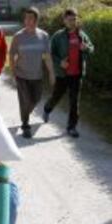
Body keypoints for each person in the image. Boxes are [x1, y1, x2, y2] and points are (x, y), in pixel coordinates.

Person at [43, 8, 94, 138]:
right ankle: (47, 108)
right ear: (64, 20)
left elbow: (92, 48)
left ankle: (71, 127)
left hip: (77, 75)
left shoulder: (81, 35)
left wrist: (86, 48)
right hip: (62, 74)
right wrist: (60, 62)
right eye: (69, 19)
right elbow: (49, 53)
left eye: (74, 19)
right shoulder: (58, 36)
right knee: (56, 96)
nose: (72, 22)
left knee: (74, 102)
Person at [9, 7, 55, 138]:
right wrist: (13, 73)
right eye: (26, 18)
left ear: (36, 20)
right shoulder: (18, 36)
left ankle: (25, 114)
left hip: (37, 75)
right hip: (21, 75)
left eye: (31, 18)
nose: (28, 21)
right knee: (25, 100)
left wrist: (51, 73)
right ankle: (25, 124)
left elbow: (47, 56)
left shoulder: (43, 36)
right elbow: (11, 55)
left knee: (36, 99)